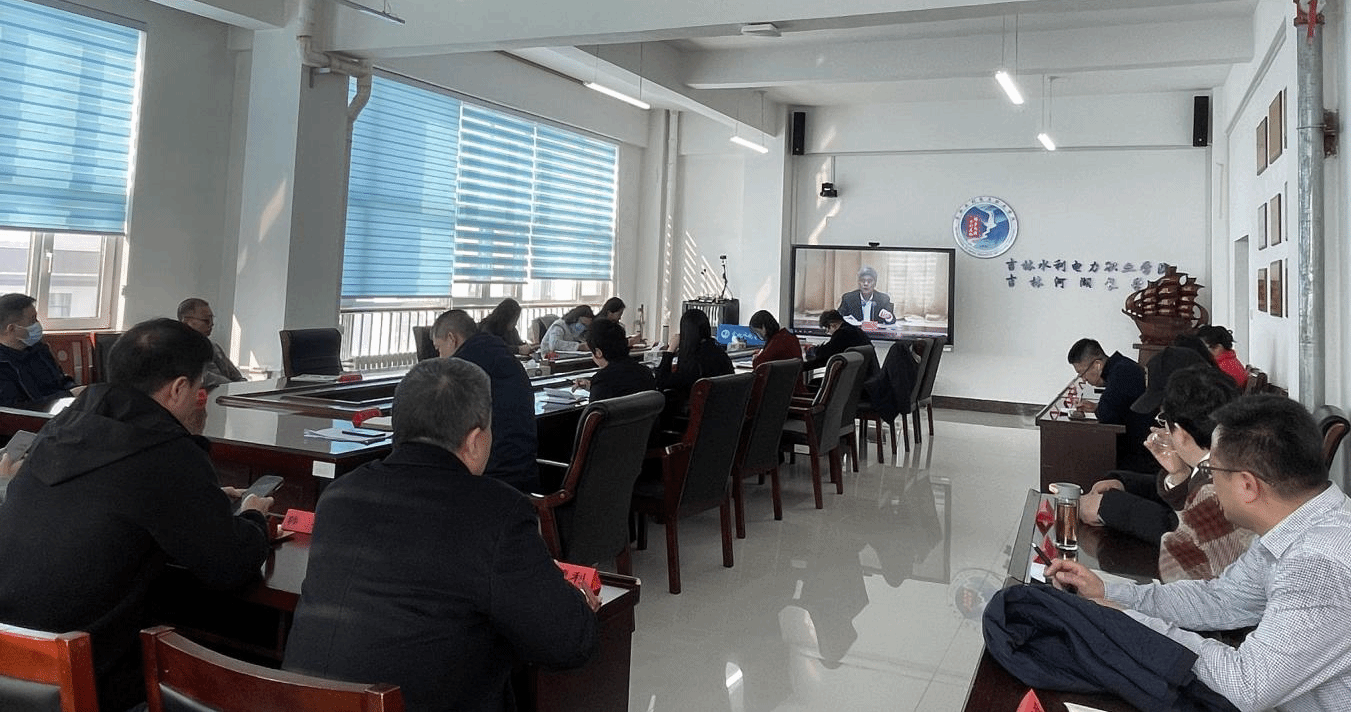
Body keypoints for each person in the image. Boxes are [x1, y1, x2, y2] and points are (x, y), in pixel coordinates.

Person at [282, 358, 599, 712]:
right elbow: (567, 643)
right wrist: (577, 601)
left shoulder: (338, 496)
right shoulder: (496, 513)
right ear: (475, 440)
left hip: (304, 703)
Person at [0, 318, 273, 712]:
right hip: (83, 682)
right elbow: (229, 565)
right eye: (200, 389)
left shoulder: (63, 427)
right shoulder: (167, 452)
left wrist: (202, 499)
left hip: (13, 659)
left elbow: (112, 496)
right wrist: (252, 515)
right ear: (179, 388)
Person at [1046, 395, 1350, 712]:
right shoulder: (1295, 525)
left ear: (1247, 486)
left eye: (1210, 469)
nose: (1209, 481)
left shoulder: (1318, 564)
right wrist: (1111, 594)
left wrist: (1128, 622)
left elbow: (1247, 685)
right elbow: (1222, 598)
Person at [1078, 346, 1211, 542]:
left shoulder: (1223, 461)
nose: (1161, 429)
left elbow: (1186, 532)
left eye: (1164, 417)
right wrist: (1123, 483)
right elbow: (1181, 498)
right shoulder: (1202, 452)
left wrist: (1107, 507)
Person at [433, 309, 538, 493]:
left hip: (491, 478)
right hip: (524, 473)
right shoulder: (501, 353)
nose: (440, 357)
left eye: (439, 349)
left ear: (451, 338)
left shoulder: (462, 367)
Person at [1066, 338, 1154, 472]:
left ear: (1097, 365)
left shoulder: (1121, 373)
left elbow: (1107, 415)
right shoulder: (1122, 365)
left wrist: (1099, 409)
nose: (1084, 379)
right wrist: (1096, 408)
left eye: (1082, 373)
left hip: (1141, 453)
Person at [0, 292, 82, 407]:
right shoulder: (3, 364)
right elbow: (17, 409)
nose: (38, 324)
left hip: (64, 409)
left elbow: (61, 381)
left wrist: (78, 391)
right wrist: (69, 395)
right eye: (32, 320)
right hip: (39, 416)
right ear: (12, 329)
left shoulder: (40, 350)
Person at [654, 308, 733, 416]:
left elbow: (661, 381)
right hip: (720, 417)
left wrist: (670, 350)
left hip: (695, 419)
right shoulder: (719, 353)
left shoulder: (693, 363)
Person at [178, 297, 247, 386]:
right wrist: (230, 386)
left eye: (212, 319)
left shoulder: (214, 347)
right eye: (206, 320)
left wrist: (242, 386)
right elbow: (203, 378)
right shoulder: (177, 348)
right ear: (186, 321)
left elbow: (236, 376)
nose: (211, 324)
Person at [583, 318, 654, 401]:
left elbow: (596, 408)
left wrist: (596, 387)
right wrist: (593, 387)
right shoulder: (646, 372)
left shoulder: (602, 381)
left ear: (598, 353)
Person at [803, 309, 871, 370]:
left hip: (851, 377)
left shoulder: (842, 333)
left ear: (833, 325)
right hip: (863, 376)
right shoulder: (857, 331)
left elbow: (823, 353)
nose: (829, 333)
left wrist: (812, 350)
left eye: (827, 330)